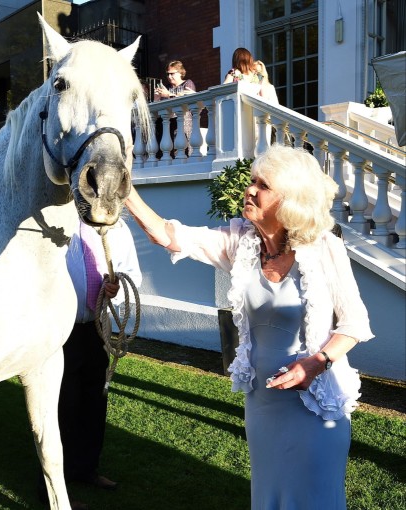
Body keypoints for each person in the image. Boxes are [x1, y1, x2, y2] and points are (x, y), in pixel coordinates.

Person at [125, 144, 373, 509]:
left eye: (263, 185)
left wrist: (316, 362)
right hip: (264, 406)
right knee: (269, 497)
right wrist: (124, 187)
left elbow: (355, 323)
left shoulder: (324, 249)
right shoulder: (240, 242)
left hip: (315, 408)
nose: (250, 189)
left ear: (290, 201)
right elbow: (167, 235)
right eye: (253, 180)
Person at [38, 218, 142, 510]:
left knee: (94, 401)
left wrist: (116, 288)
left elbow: (132, 272)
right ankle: (51, 485)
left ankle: (85, 469)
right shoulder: (58, 222)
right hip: (59, 329)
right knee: (60, 407)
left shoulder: (118, 229)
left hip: (96, 326)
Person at [154, 61, 196, 156]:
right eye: (167, 74)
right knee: (169, 152)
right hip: (168, 124)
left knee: (184, 151)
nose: (169, 76)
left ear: (181, 72)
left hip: (184, 123)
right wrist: (156, 98)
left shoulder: (187, 83)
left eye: (172, 73)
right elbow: (160, 108)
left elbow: (186, 101)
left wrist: (169, 95)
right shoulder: (167, 87)